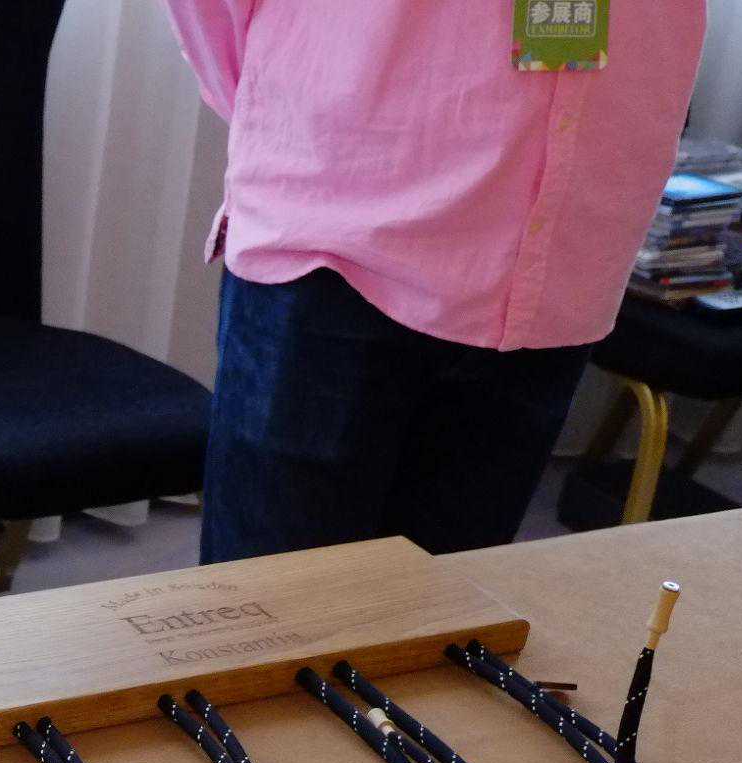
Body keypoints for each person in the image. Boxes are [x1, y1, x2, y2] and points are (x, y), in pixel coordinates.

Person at [163, 0, 704, 562]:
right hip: (341, 235)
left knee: (447, 597)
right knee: (280, 600)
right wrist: (288, 105)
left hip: (558, 250)